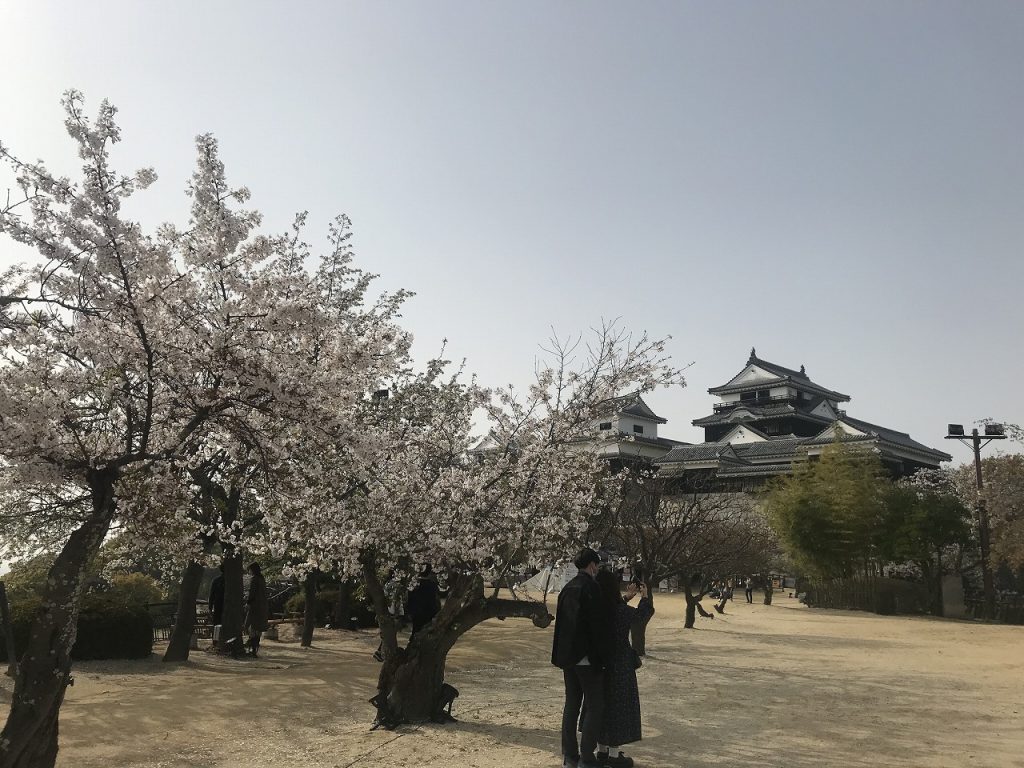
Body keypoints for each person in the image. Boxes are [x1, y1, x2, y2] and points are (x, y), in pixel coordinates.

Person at [551, 548, 612, 768]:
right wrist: (602, 656)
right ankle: (587, 756)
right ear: (592, 565)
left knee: (572, 704)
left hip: (568, 658)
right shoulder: (591, 588)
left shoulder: (567, 588)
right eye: (596, 565)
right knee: (595, 705)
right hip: (587, 658)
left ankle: (569, 755)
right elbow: (597, 627)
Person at [593, 570, 653, 768]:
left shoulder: (595, 608)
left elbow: (612, 605)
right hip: (620, 665)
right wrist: (644, 597)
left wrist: (626, 597)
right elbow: (641, 617)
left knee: (600, 705)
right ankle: (613, 753)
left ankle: (600, 750)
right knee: (617, 706)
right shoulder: (622, 612)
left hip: (598, 664)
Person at [406, 565, 442, 639]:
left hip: (416, 612)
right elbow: (436, 599)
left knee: (416, 630)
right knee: (427, 633)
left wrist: (409, 611)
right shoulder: (432, 585)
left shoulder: (413, 584)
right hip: (429, 611)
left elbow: (409, 598)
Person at [243, 562, 269, 657]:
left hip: (255, 606)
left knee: (251, 627)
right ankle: (255, 649)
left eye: (249, 570)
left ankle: (252, 649)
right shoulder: (262, 579)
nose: (249, 572)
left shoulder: (254, 579)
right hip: (262, 606)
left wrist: (248, 603)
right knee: (258, 630)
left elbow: (252, 593)